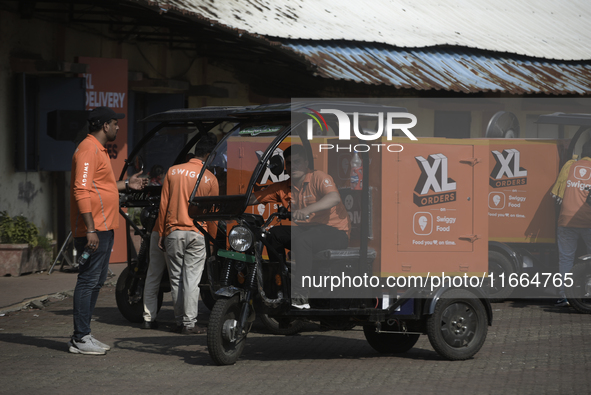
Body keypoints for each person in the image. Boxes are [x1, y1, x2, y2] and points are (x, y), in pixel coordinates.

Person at [69, 106, 148, 355]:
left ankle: (84, 335)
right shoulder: (88, 149)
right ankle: (80, 337)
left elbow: (100, 185)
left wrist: (127, 184)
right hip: (95, 229)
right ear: (105, 125)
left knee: (95, 282)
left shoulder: (98, 150)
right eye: (115, 123)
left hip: (104, 226)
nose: (117, 127)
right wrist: (90, 229)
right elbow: (81, 190)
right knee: (88, 281)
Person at [250, 144, 350, 308]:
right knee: (272, 234)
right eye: (289, 163)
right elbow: (253, 198)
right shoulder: (284, 186)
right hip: (309, 231)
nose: (293, 166)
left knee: (303, 240)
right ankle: (280, 288)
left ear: (306, 163)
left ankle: (300, 296)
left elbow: (333, 198)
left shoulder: (318, 177)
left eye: (297, 162)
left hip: (335, 232)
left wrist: (307, 210)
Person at [158, 136, 219, 334]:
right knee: (191, 280)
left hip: (173, 232)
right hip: (197, 233)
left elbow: (163, 205)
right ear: (208, 155)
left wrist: (161, 233)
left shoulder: (173, 171)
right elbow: (212, 214)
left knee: (175, 278)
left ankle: (179, 321)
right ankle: (190, 323)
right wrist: (212, 239)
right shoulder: (210, 178)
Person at [551, 140, 591, 307]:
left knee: (566, 259)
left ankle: (563, 296)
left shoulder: (570, 166)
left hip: (565, 219)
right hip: (587, 220)